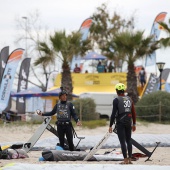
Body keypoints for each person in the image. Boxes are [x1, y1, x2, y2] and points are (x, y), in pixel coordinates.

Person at [109, 83, 136, 164]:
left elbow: (113, 113)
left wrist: (110, 125)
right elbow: (133, 112)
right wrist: (134, 124)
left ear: (117, 91)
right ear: (124, 90)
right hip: (129, 122)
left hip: (120, 122)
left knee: (122, 141)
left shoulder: (116, 100)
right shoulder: (129, 99)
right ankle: (130, 159)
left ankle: (125, 160)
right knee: (129, 140)